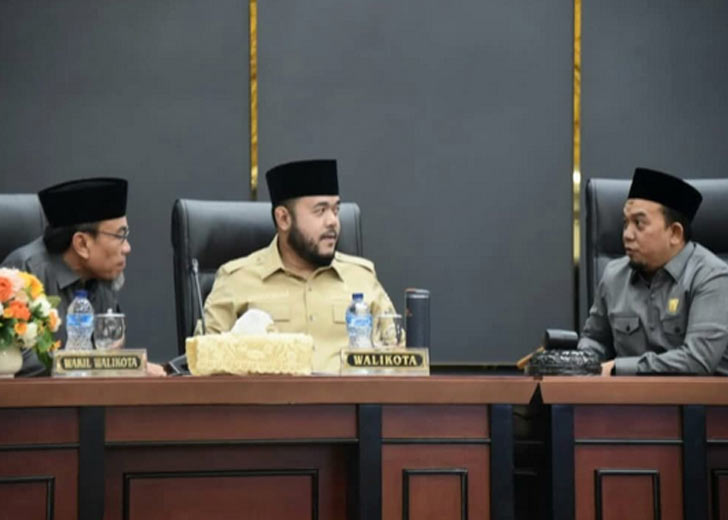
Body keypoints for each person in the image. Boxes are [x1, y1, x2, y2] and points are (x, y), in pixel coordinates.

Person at [204, 159, 396, 373]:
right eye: (320, 211)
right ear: (284, 219)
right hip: (271, 395)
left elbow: (400, 360)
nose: (333, 221)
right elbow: (205, 366)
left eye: (336, 210)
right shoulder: (236, 280)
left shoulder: (362, 278)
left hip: (350, 395)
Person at [2, 178, 165, 376]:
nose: (127, 248)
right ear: (82, 244)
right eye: (119, 236)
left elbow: (110, 353)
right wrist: (120, 365)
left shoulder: (102, 278)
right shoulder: (23, 274)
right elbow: (20, 361)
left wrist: (128, 366)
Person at [578, 167, 728, 375]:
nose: (627, 234)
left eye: (639, 224)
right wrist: (584, 361)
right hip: (624, 394)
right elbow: (595, 339)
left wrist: (618, 368)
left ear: (675, 233)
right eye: (625, 223)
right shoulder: (614, 275)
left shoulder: (711, 277)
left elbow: (697, 360)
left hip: (698, 396)